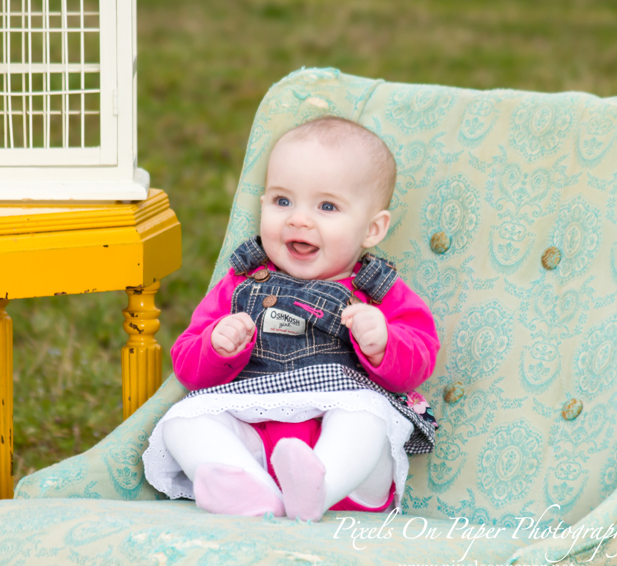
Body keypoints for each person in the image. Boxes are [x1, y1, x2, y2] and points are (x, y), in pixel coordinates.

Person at [142, 116, 439, 522]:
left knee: (367, 414)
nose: (298, 219)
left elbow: (418, 360)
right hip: (258, 437)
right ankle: (252, 491)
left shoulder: (378, 291)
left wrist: (384, 343)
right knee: (182, 421)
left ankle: (318, 489)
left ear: (372, 229)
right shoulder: (242, 283)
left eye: (327, 206)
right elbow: (189, 367)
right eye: (283, 201)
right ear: (262, 204)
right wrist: (216, 345)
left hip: (350, 470)